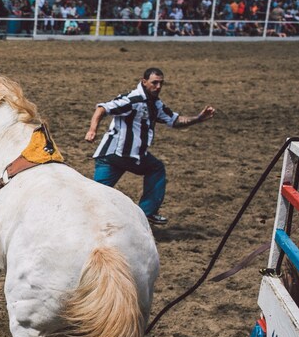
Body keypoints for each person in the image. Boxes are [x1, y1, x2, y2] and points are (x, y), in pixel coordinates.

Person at [85, 67, 216, 225]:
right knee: (156, 168)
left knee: (96, 195)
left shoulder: (155, 104)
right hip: (121, 154)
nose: (158, 87)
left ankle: (81, 220)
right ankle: (147, 212)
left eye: (161, 83)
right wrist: (92, 130)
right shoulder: (134, 100)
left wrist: (198, 118)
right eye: (154, 83)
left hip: (109, 155)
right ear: (144, 82)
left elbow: (174, 121)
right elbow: (102, 108)